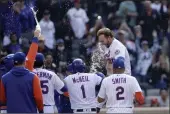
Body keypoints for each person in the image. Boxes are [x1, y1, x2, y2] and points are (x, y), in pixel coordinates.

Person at [0, 29, 42, 112]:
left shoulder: (4, 76)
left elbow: (2, 99)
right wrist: (35, 37)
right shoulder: (28, 69)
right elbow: (32, 52)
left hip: (8, 109)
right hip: (29, 110)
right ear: (23, 62)